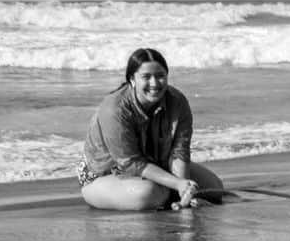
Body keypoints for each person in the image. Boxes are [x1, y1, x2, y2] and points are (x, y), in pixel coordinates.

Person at [78, 47, 223, 211]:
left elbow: (180, 151)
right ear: (132, 79)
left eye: (160, 76)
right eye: (146, 77)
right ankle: (165, 195)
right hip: (106, 174)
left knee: (215, 189)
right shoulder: (114, 108)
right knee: (149, 193)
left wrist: (185, 193)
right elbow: (130, 163)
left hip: (158, 164)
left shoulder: (177, 101)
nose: (154, 83)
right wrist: (177, 184)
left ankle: (172, 196)